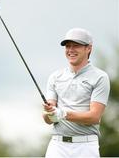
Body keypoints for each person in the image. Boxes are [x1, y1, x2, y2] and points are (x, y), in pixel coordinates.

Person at [43, 28, 110, 158]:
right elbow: (48, 119)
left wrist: (62, 113)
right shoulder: (55, 77)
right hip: (57, 146)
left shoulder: (100, 77)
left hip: (86, 146)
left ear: (88, 48)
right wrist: (49, 113)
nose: (71, 50)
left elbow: (94, 117)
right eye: (68, 46)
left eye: (76, 46)